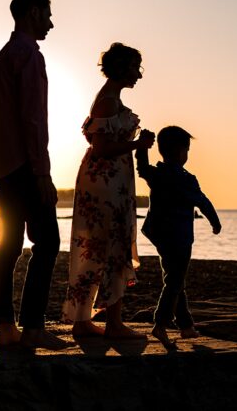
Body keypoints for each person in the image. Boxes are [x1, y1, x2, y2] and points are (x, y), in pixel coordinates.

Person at [0, 0, 68, 350]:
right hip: (25, 166)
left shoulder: (3, 57)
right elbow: (33, 120)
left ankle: (6, 327)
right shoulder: (28, 56)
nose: (51, 23)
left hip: (3, 165)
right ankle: (33, 327)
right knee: (47, 242)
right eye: (47, 15)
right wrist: (42, 173)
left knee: (8, 245)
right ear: (33, 13)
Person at [62, 43, 155, 339]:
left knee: (102, 247)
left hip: (111, 182)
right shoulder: (108, 102)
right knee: (110, 247)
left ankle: (85, 320)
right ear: (121, 68)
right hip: (105, 184)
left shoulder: (110, 99)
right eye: (134, 68)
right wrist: (137, 145)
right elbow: (101, 149)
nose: (138, 75)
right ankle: (112, 324)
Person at [136, 125, 221, 346]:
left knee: (175, 278)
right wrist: (215, 222)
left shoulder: (157, 173)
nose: (187, 155)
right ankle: (160, 324)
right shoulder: (186, 179)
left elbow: (142, 168)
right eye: (187, 150)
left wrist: (143, 147)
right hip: (179, 238)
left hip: (159, 235)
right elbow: (203, 202)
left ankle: (186, 326)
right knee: (174, 281)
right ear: (180, 151)